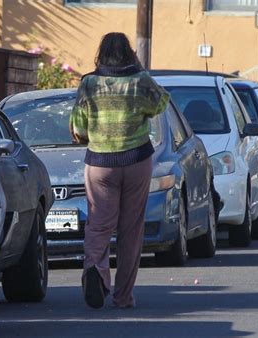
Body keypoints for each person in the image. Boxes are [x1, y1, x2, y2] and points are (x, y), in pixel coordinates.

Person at [70, 32, 170, 309]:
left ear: (100, 53)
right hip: (137, 161)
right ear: (129, 53)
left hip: (101, 164)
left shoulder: (89, 83)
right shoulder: (140, 81)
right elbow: (161, 103)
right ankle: (123, 296)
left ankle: (95, 270)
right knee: (131, 230)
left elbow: (78, 128)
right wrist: (139, 69)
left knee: (99, 226)